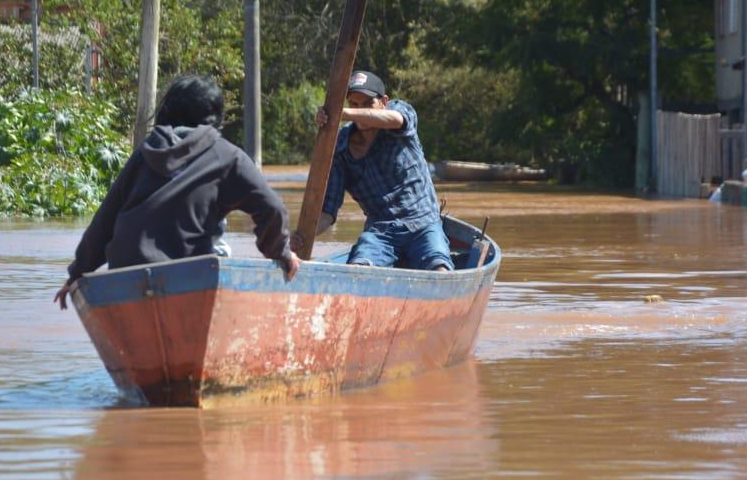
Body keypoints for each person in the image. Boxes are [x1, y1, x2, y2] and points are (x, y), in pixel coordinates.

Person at [55, 75, 299, 309]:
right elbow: (272, 209)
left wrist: (77, 274)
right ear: (216, 117)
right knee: (222, 252)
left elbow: (105, 221)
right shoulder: (226, 155)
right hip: (187, 279)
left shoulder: (145, 152)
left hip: (124, 276)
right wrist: (280, 252)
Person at [291, 70, 453, 271]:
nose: (360, 111)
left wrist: (340, 113)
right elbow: (328, 213)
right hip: (381, 233)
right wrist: (302, 235)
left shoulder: (400, 114)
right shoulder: (340, 148)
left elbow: (395, 119)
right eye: (355, 104)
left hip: (423, 224)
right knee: (359, 269)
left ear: (384, 101)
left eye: (368, 103)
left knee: (439, 269)